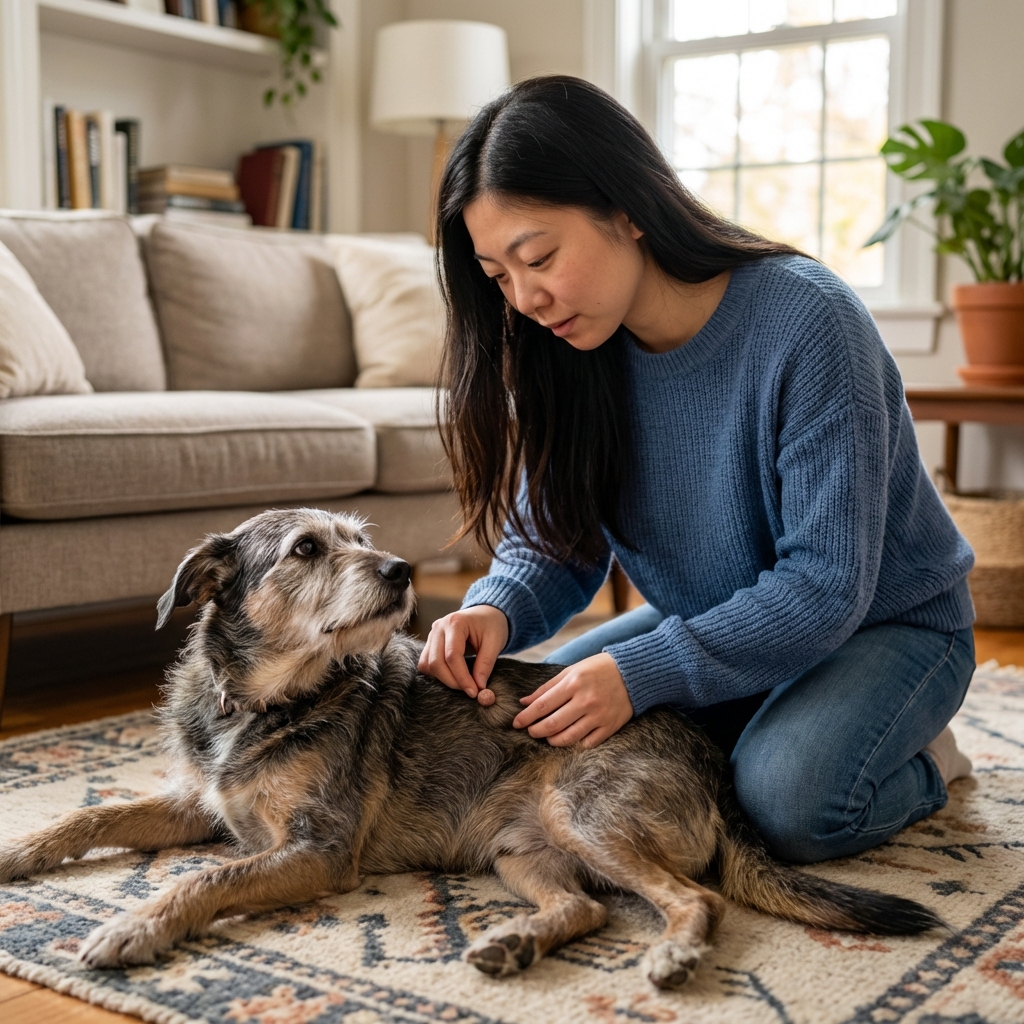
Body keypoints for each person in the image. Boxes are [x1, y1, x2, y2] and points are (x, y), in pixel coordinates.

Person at [418, 76, 975, 865]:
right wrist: (494, 612)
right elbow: (554, 545)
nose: (526, 297)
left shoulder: (810, 322)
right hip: (722, 618)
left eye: (538, 257)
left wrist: (645, 673)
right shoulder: (571, 349)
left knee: (786, 803)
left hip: (886, 627)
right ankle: (773, 715)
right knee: (524, 732)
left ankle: (923, 761)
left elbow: (824, 588)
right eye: (498, 276)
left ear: (626, 210)